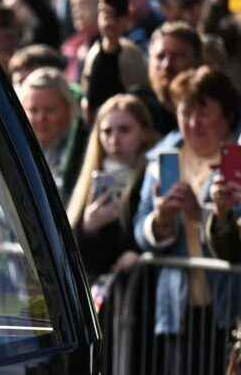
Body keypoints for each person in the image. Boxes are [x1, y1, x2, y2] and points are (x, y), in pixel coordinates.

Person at [134, 66, 241, 375]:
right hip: (177, 308)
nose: (193, 124)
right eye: (185, 112)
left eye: (204, 112)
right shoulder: (163, 159)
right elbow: (140, 229)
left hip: (228, 306)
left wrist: (201, 214)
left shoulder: (235, 157)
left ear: (227, 115)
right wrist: (162, 220)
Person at [67, 94, 156, 279]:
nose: (114, 139)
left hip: (136, 287)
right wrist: (89, 228)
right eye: (107, 131)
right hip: (96, 288)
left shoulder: (152, 175)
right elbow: (70, 252)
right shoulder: (90, 178)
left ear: (145, 133)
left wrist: (137, 253)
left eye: (124, 130)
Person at [18, 67, 87, 202]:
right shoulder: (12, 149)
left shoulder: (82, 153)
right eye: (33, 110)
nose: (41, 118)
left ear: (69, 110)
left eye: (50, 110)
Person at [80, 0, 148, 124]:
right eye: (103, 13)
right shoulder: (94, 52)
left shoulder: (131, 53)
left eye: (114, 15)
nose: (108, 21)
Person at [132, 21, 203, 137]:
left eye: (178, 56)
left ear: (197, 61)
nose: (167, 65)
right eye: (160, 57)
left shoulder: (212, 107)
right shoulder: (136, 106)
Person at [61, 0, 102, 83]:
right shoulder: (70, 47)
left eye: (84, 5)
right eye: (74, 6)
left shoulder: (109, 47)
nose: (76, 11)